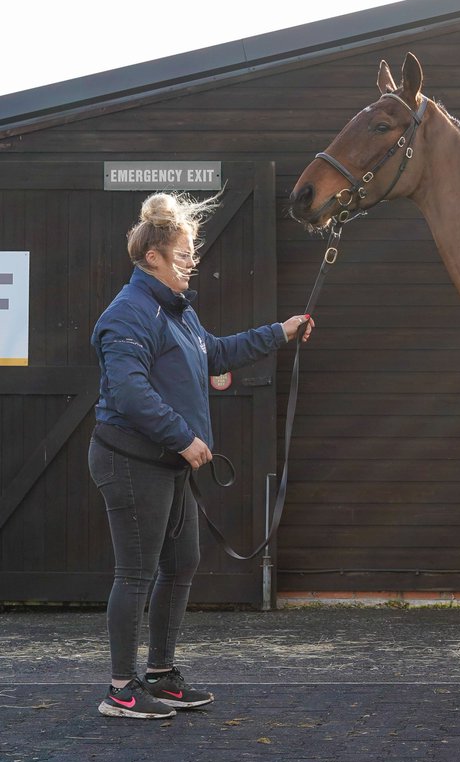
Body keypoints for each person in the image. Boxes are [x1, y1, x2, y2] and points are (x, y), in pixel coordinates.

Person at [89, 191, 314, 719]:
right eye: (184, 254)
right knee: (135, 575)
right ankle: (121, 690)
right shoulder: (128, 314)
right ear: (154, 259)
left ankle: (162, 675)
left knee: (182, 561)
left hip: (165, 464)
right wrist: (184, 438)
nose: (193, 263)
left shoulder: (177, 313)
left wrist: (279, 333)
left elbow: (216, 351)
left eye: (192, 253)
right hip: (131, 460)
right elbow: (128, 393)